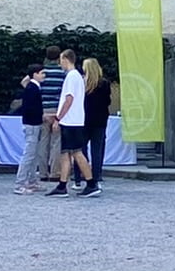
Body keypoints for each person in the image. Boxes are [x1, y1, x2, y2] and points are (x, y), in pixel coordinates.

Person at [49, 54, 96, 198]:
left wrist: (58, 117)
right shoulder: (77, 76)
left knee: (76, 152)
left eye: (61, 60)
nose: (60, 64)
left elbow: (69, 99)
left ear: (65, 59)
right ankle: (63, 185)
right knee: (67, 153)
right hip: (74, 120)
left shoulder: (71, 77)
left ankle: (91, 183)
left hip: (70, 121)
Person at [14, 64, 48, 194]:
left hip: (34, 123)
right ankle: (20, 183)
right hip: (32, 124)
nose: (44, 75)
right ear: (35, 74)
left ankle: (32, 180)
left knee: (33, 154)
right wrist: (41, 115)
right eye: (41, 73)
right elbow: (32, 108)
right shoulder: (32, 88)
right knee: (29, 154)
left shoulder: (32, 87)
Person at [81, 60, 112, 190]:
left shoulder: (83, 83)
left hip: (84, 119)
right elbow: (108, 101)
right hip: (100, 119)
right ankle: (97, 174)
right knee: (97, 149)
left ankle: (83, 173)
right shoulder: (104, 84)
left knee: (81, 148)